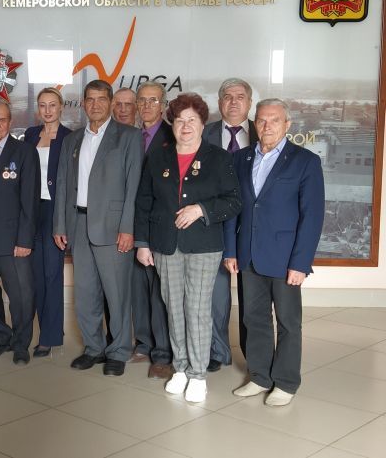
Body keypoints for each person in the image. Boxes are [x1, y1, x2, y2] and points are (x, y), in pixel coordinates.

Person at [135, 92, 241, 403]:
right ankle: (180, 367)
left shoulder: (218, 158)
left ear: (202, 124)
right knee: (173, 307)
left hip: (203, 246)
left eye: (192, 120)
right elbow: (144, 203)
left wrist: (201, 210)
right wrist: (143, 243)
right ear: (172, 124)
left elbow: (234, 200)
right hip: (165, 244)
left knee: (196, 309)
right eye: (180, 120)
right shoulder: (158, 158)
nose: (185, 126)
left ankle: (197, 374)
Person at [227, 99, 324, 407]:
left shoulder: (305, 161)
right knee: (253, 318)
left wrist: (301, 263)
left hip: (285, 259)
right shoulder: (240, 159)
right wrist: (231, 251)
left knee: (287, 322)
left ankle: (285, 382)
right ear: (254, 124)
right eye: (261, 120)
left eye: (274, 120)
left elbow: (312, 216)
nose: (267, 126)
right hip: (248, 254)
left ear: (287, 124)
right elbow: (233, 209)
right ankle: (259, 376)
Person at [53, 80, 142, 377]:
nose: (95, 105)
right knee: (85, 293)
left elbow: (133, 186)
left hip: (113, 227)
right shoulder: (73, 140)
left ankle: (119, 350)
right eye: (90, 99)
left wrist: (128, 228)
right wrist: (60, 224)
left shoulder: (128, 137)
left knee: (117, 294)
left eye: (101, 99)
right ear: (83, 103)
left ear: (112, 102)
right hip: (78, 224)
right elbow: (63, 184)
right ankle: (94, 348)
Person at [0, 100, 40, 365]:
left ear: (10, 123)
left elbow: (30, 200)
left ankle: (21, 343)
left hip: (13, 236)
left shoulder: (23, 152)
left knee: (21, 293)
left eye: (2, 119)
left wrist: (25, 239)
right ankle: (0, 336)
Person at [202, 77, 259, 371]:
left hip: (252, 226)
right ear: (219, 102)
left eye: (240, 97)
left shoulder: (264, 131)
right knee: (214, 295)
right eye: (227, 96)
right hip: (213, 224)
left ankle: (255, 358)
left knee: (253, 297)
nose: (233, 102)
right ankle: (217, 351)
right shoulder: (204, 133)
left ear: (249, 102)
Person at [131, 81, 175, 380]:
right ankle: (144, 344)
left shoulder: (172, 136)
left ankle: (162, 354)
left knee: (160, 293)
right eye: (142, 100)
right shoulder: (132, 137)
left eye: (153, 100)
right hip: (134, 223)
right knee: (139, 289)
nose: (147, 105)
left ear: (164, 105)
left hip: (160, 225)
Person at [23, 87, 70, 358]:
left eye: (53, 105)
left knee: (52, 274)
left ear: (61, 107)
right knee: (36, 276)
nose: (48, 110)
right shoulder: (30, 135)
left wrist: (63, 220)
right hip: (32, 211)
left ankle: (49, 337)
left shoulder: (69, 137)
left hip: (55, 211)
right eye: (43, 105)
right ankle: (45, 330)